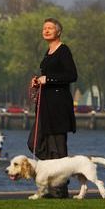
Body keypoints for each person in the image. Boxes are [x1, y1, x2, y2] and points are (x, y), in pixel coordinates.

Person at [27, 17, 78, 198]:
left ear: (58, 31)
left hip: (58, 108)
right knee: (35, 142)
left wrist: (48, 79)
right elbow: (46, 75)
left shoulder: (63, 51)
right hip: (45, 107)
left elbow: (72, 75)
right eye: (44, 28)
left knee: (58, 148)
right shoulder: (48, 52)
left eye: (50, 28)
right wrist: (37, 80)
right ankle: (54, 179)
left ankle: (60, 190)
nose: (46, 30)